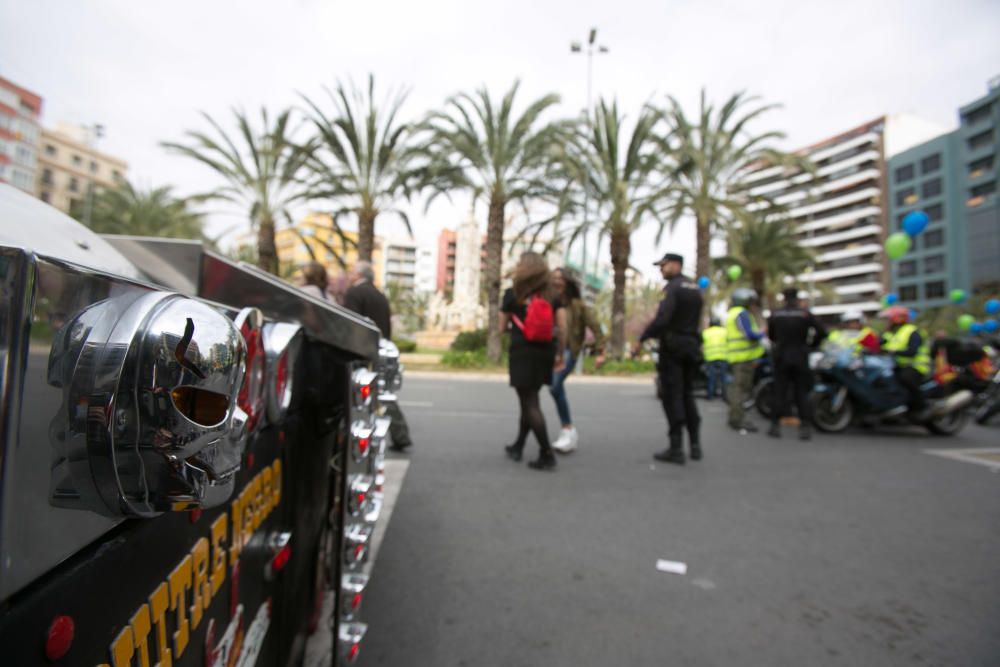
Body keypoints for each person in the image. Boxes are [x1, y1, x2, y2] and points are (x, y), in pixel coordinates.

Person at [500, 252, 567, 471]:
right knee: (529, 401)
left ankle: (546, 453)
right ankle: (518, 446)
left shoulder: (512, 293)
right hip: (545, 352)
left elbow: (501, 327)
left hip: (522, 352)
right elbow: (563, 327)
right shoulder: (553, 295)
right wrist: (559, 353)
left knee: (529, 403)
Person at [639, 253, 704, 464]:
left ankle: (676, 448)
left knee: (672, 395)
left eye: (664, 266)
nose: (661, 270)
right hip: (692, 346)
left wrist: (644, 337)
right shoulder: (695, 288)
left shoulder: (673, 288)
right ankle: (695, 445)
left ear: (676, 265)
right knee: (687, 395)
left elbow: (663, 319)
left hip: (674, 347)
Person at [344, 261, 413, 452]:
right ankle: (400, 434)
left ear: (359, 275)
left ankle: (391, 434)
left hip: (361, 352)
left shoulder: (354, 294)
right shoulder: (379, 295)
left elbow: (351, 324)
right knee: (381, 392)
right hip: (378, 349)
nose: (349, 275)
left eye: (351, 272)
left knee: (370, 393)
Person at [549, 267, 606, 453]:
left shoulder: (578, 305)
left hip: (568, 351)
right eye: (554, 278)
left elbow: (596, 327)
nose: (556, 281)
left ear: (567, 282)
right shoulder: (547, 301)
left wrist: (600, 352)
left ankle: (568, 429)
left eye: (560, 278)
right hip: (547, 351)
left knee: (555, 385)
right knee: (542, 390)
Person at [766, 287, 827, 440]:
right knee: (801, 392)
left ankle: (774, 425)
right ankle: (805, 426)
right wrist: (811, 346)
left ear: (784, 298)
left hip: (782, 356)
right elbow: (822, 332)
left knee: (779, 391)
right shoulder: (805, 314)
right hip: (800, 355)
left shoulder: (776, 314)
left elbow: (771, 335)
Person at [725, 288, 766, 433]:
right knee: (740, 390)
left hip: (737, 357)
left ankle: (735, 417)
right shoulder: (741, 313)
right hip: (743, 359)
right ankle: (737, 419)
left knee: (738, 388)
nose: (752, 304)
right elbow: (749, 334)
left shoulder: (731, 314)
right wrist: (762, 333)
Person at [880, 306, 930, 417]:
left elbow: (912, 351)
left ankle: (921, 407)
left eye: (888, 319)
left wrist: (892, 352)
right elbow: (879, 344)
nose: (886, 322)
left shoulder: (912, 331)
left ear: (897, 319)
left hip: (917, 366)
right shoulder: (890, 333)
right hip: (896, 365)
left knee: (905, 378)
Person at [701, 317, 728, 400]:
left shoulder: (706, 332)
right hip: (723, 357)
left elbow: (701, 345)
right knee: (723, 377)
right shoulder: (724, 332)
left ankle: (710, 395)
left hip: (710, 358)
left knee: (711, 377)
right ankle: (725, 396)